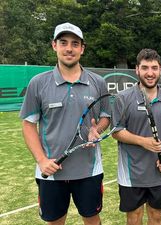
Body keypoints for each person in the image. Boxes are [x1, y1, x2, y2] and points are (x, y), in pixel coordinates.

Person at [20, 22, 108, 225]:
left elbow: (105, 117)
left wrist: (98, 129)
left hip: (89, 170)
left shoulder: (98, 82)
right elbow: (28, 125)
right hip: (50, 172)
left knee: (92, 219)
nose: (69, 48)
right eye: (63, 42)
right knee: (55, 221)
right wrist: (42, 160)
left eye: (75, 43)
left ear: (82, 49)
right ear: (54, 45)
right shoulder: (38, 83)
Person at [111, 48, 161, 225]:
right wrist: (143, 142)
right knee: (134, 217)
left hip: (159, 172)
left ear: (160, 70)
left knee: (156, 216)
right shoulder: (123, 98)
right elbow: (116, 131)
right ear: (137, 70)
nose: (150, 73)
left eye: (154, 68)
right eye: (145, 67)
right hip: (131, 173)